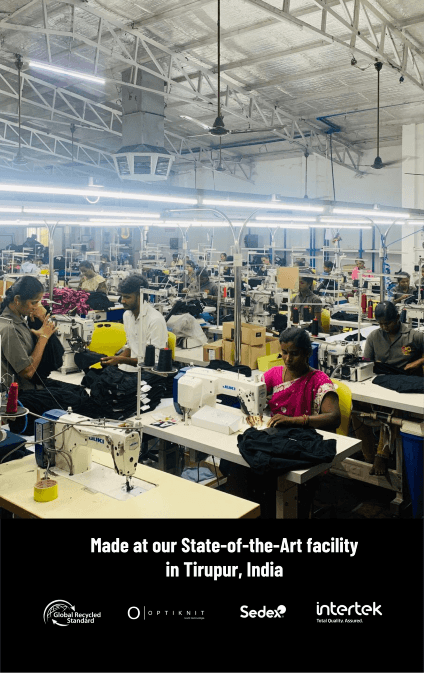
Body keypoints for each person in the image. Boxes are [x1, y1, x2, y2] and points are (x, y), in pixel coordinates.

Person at [353, 301, 424, 475]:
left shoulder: (413, 336)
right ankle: (368, 454)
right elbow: (366, 362)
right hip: (382, 380)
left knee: (392, 410)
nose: (384, 327)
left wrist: (418, 362)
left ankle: (382, 455)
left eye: (388, 323)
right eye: (381, 324)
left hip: (405, 381)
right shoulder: (374, 337)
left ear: (398, 318)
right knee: (355, 407)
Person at [262, 327, 341, 431]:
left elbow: (334, 418)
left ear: (306, 353)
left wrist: (294, 421)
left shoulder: (319, 381)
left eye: (294, 354)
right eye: (284, 352)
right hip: (277, 433)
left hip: (306, 436)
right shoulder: (273, 374)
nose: (288, 359)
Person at [100, 274, 168, 370]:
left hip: (147, 373)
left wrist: (120, 360)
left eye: (127, 297)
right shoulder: (127, 315)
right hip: (129, 369)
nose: (122, 301)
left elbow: (155, 360)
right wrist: (115, 360)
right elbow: (131, 347)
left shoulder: (155, 320)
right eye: (122, 296)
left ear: (140, 296)